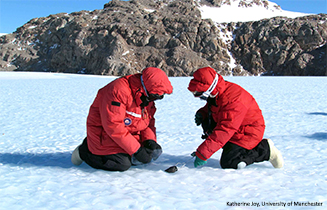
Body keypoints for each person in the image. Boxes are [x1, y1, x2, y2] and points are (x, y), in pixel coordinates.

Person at [71, 67, 173, 171]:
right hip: (102, 135)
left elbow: (148, 121)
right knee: (121, 163)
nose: (154, 100)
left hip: (124, 135)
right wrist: (137, 150)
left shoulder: (146, 96)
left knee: (146, 154)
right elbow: (113, 126)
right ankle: (84, 151)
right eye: (155, 96)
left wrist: (149, 140)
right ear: (147, 88)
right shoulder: (118, 91)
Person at [188, 67, 284, 169]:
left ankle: (266, 150)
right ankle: (231, 148)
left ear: (210, 90)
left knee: (229, 162)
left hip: (248, 132)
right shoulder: (218, 91)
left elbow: (224, 130)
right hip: (236, 128)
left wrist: (203, 153)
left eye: (200, 95)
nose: (199, 98)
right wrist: (203, 113)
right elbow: (215, 107)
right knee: (207, 121)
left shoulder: (233, 101)